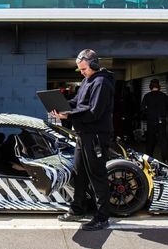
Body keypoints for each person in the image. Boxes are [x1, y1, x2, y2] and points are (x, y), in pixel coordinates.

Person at [51, 49, 114, 231]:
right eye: (80, 69)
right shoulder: (88, 80)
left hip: (95, 136)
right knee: (79, 174)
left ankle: (102, 217)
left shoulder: (102, 82)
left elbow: (93, 112)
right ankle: (77, 209)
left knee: (97, 175)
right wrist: (59, 107)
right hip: (83, 135)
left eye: (84, 68)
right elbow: (77, 103)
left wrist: (68, 116)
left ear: (94, 64)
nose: (82, 72)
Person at [141, 79, 168, 163]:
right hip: (162, 120)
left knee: (150, 141)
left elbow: (142, 109)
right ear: (159, 87)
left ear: (150, 87)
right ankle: (165, 159)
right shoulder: (164, 96)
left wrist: (148, 114)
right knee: (163, 141)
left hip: (151, 121)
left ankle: (148, 159)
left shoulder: (147, 96)